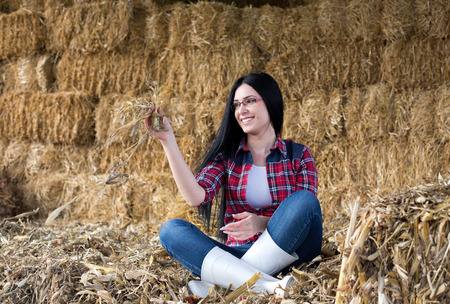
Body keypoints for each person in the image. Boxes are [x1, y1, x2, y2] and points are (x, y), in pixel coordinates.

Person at [144, 73, 322, 298]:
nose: (241, 110)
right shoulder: (228, 157)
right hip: (238, 251)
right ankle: (270, 286)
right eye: (236, 105)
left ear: (270, 101)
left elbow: (303, 215)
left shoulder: (298, 155)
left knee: (305, 201)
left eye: (249, 101)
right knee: (171, 231)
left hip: (291, 252)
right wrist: (168, 140)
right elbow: (196, 197)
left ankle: (223, 282)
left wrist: (262, 223)